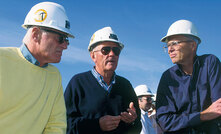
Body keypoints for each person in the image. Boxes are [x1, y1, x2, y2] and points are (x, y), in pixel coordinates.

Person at [0, 2, 74, 134]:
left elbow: (56, 124)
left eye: (67, 40)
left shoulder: (54, 76)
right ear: (35, 34)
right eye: (61, 38)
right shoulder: (2, 59)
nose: (65, 46)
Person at [64, 26, 142, 134]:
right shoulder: (77, 83)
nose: (112, 54)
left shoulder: (126, 86)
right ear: (93, 56)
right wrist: (97, 125)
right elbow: (64, 124)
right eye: (105, 50)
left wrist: (131, 122)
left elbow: (137, 127)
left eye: (116, 50)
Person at [156, 19, 221, 133]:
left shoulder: (209, 63)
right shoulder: (167, 78)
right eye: (167, 46)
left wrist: (183, 120)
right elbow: (164, 121)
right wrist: (202, 116)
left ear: (192, 45)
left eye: (174, 43)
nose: (170, 49)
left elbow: (218, 109)